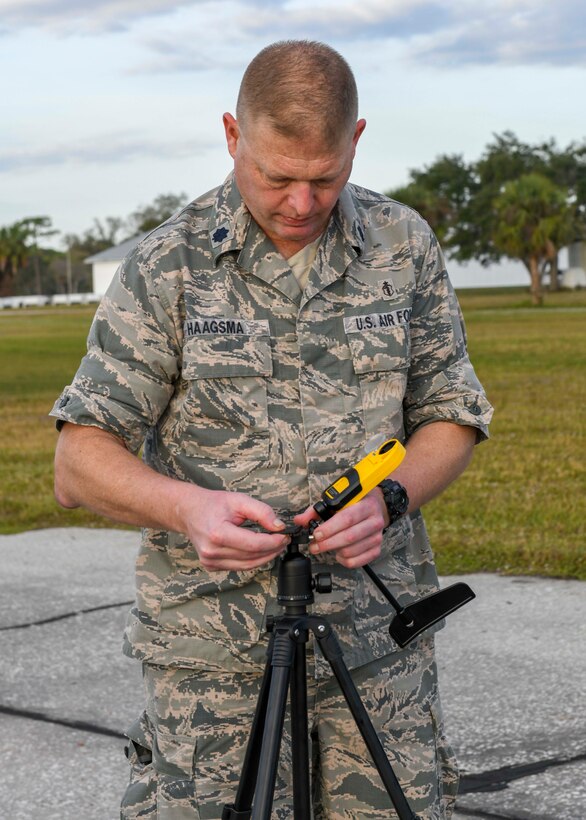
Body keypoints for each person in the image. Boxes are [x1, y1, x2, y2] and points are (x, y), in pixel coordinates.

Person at [51, 40, 492, 819]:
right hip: (214, 657)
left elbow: (452, 416)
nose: (300, 202)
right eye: (276, 176)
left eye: (325, 178)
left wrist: (388, 501)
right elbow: (79, 460)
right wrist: (188, 509)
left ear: (356, 141)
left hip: (374, 639)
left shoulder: (402, 245)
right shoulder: (168, 266)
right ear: (232, 135)